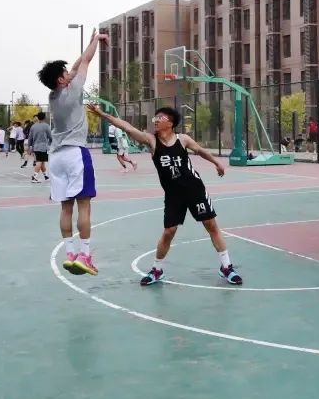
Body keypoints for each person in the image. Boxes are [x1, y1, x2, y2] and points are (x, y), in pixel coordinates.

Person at [88, 104, 242, 285]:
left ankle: (226, 266)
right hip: (173, 195)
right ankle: (157, 270)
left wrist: (217, 163)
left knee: (211, 225)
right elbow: (127, 127)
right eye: (155, 118)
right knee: (169, 231)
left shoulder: (182, 139)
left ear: (170, 122)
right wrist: (102, 114)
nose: (155, 120)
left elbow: (200, 150)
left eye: (159, 118)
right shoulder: (152, 141)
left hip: (194, 189)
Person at [38, 29, 106, 277]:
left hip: (56, 157)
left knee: (66, 208)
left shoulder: (52, 96)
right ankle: (85, 256)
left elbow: (76, 65)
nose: (70, 73)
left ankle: (70, 254)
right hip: (75, 153)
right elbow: (85, 61)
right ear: (61, 79)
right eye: (66, 73)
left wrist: (88, 44)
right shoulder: (74, 89)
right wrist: (96, 41)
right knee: (84, 206)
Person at [28, 112, 52, 183]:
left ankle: (46, 176)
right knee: (39, 161)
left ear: (38, 117)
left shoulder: (33, 126)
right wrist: (50, 144)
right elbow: (50, 137)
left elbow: (30, 138)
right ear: (44, 117)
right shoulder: (46, 126)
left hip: (35, 147)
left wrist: (29, 146)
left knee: (42, 162)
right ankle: (34, 177)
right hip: (43, 147)